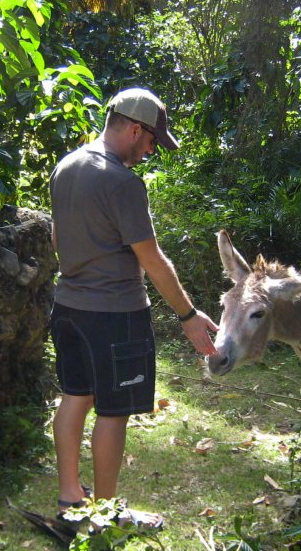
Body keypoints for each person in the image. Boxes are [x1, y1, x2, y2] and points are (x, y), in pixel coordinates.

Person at [48, 87, 218, 528]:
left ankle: (70, 499)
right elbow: (152, 259)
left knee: (75, 396)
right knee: (114, 410)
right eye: (150, 142)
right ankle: (105, 513)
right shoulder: (122, 182)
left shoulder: (67, 166)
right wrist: (188, 316)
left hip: (68, 306)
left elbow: (57, 239)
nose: (150, 151)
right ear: (135, 129)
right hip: (115, 314)